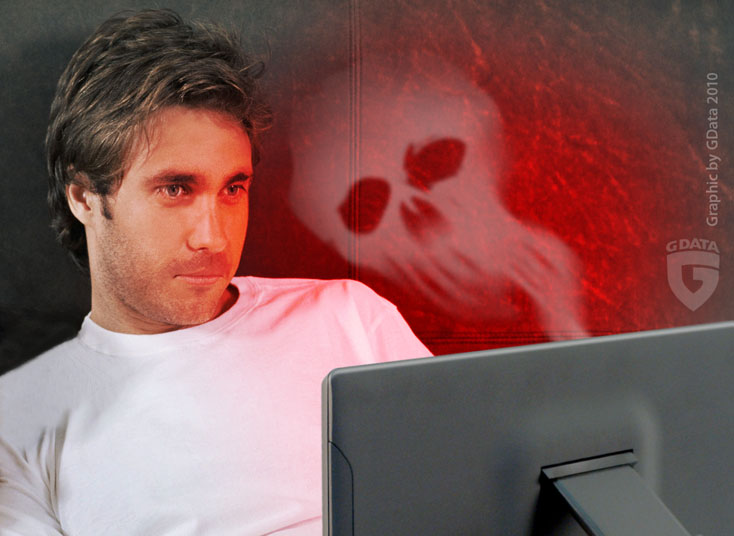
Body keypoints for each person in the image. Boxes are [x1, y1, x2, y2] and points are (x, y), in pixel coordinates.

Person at [0, 9, 429, 535]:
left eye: (233, 188)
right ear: (85, 198)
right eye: (175, 189)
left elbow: (474, 493)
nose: (214, 238)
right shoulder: (20, 423)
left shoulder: (349, 318)